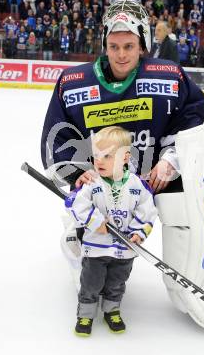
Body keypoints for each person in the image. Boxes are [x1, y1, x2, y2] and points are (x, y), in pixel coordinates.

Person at [41, 0, 204, 328]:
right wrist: (78, 173)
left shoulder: (168, 75)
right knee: (90, 218)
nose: (121, 54)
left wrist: (171, 160)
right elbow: (56, 137)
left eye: (129, 46)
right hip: (101, 180)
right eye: (114, 46)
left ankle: (189, 281)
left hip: (150, 176)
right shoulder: (73, 82)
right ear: (104, 43)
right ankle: (78, 236)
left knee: (183, 207)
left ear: (143, 44)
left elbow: (193, 118)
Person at [65, 126, 157, 336]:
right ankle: (86, 314)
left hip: (125, 249)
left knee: (117, 283)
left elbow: (148, 211)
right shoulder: (92, 182)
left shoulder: (137, 185)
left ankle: (111, 310)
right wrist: (95, 221)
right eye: (96, 155)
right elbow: (77, 205)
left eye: (107, 156)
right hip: (96, 248)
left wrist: (138, 232)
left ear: (125, 157)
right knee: (91, 283)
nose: (99, 161)